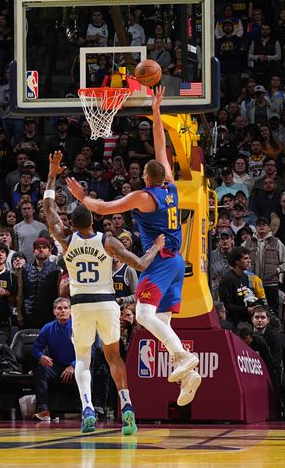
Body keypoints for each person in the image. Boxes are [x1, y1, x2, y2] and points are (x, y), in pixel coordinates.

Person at [65, 87, 201, 403]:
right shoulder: (170, 186)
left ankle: (183, 358)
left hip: (161, 261)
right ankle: (189, 376)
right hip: (176, 262)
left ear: (144, 178)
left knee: (141, 314)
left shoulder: (143, 197)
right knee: (161, 322)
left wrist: (80, 197)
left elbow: (102, 209)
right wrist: (156, 111)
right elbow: (161, 146)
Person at [43, 151, 165, 432]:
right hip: (107, 304)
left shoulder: (65, 239)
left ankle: (87, 409)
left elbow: (49, 210)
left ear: (71, 224)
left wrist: (52, 173)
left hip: (81, 305)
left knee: (83, 359)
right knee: (113, 358)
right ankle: (127, 407)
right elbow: (141, 264)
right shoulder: (107, 240)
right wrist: (156, 247)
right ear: (93, 223)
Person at [32, 297, 76, 422]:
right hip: (56, 367)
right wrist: (41, 356)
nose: (63, 311)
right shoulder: (48, 328)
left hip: (76, 365)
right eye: (59, 308)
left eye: (66, 308)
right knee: (40, 370)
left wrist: (73, 365)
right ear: (54, 312)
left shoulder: (78, 326)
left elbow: (89, 350)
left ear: (71, 311)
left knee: (86, 371)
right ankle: (43, 411)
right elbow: (35, 348)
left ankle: (88, 410)